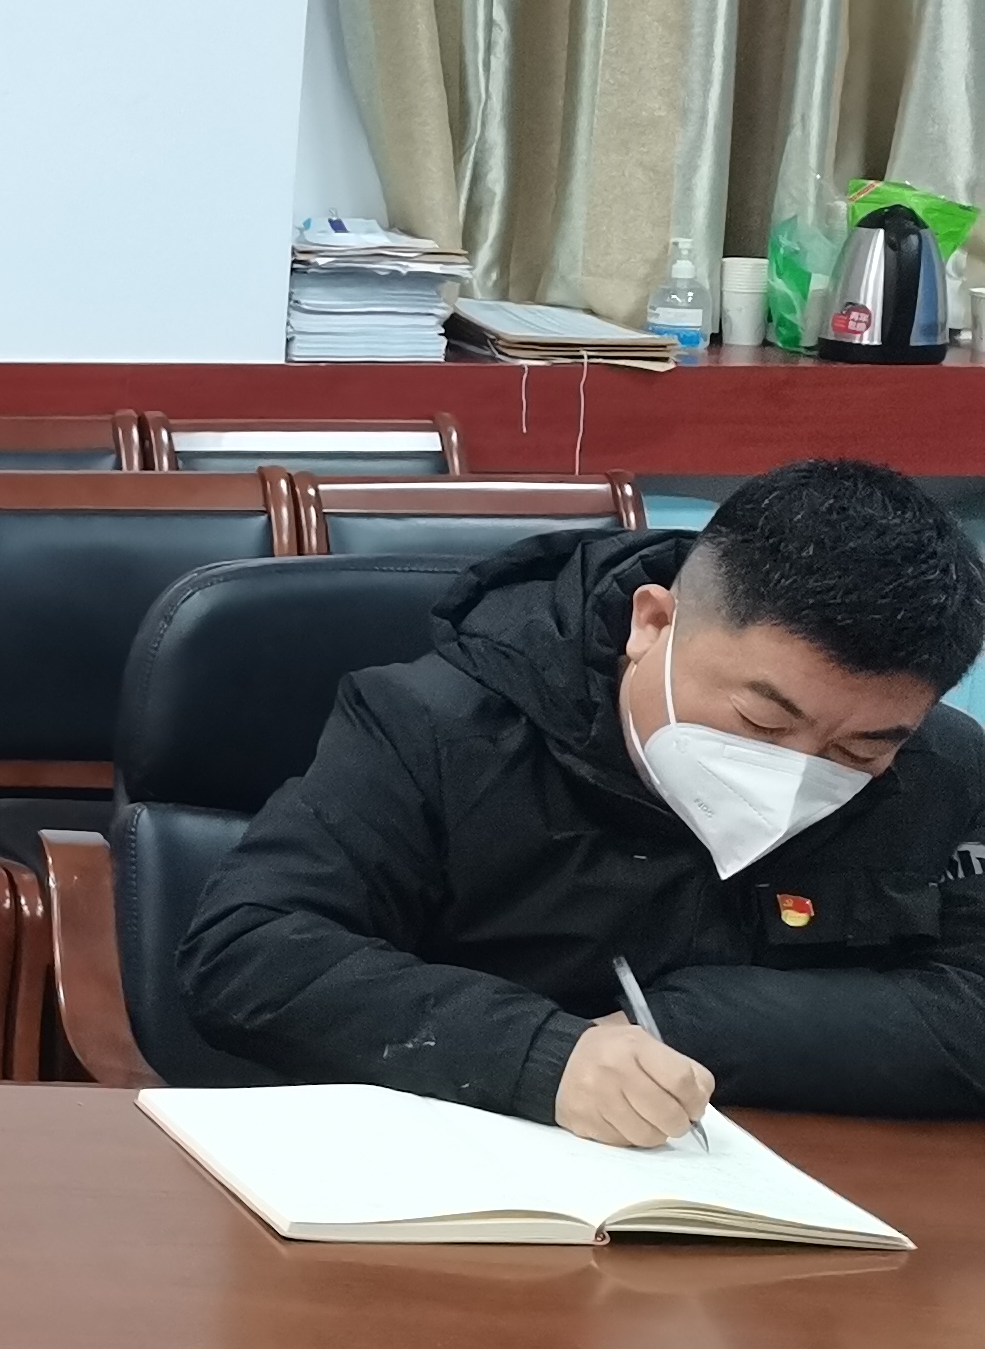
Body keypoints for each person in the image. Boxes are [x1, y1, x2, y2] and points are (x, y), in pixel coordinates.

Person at [185, 456, 985, 1138]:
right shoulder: (437, 727)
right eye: (761, 721)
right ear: (653, 622)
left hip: (802, 1187)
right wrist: (540, 1054)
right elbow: (249, 951)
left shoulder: (943, 770)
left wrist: (686, 1025)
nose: (797, 772)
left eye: (857, 748)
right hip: (464, 1168)